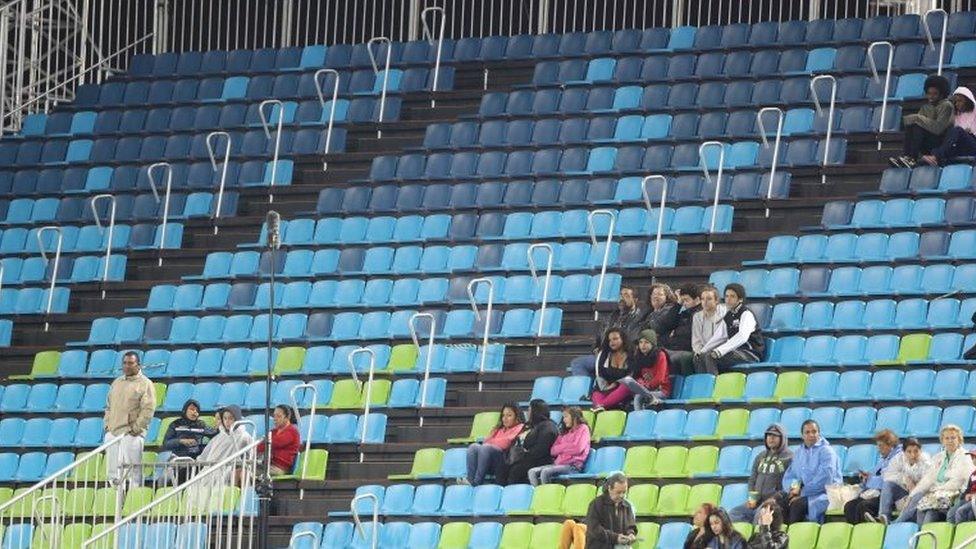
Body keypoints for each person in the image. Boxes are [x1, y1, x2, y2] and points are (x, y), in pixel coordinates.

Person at [894, 424, 974, 526]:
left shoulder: (965, 456)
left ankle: (899, 525)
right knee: (920, 508)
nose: (950, 441)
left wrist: (938, 489)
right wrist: (912, 495)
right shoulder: (938, 457)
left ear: (959, 439)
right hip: (937, 496)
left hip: (953, 495)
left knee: (929, 514)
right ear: (942, 440)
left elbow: (957, 481)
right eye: (947, 438)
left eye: (953, 438)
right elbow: (928, 479)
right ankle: (917, 538)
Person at [104, 351, 156, 489]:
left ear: (138, 365)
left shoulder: (145, 384)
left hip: (131, 433)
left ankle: (133, 501)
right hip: (113, 432)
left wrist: (136, 429)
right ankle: (115, 501)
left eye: (131, 363)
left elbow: (148, 410)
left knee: (134, 471)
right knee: (113, 471)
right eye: (125, 363)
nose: (127, 366)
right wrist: (107, 426)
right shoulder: (117, 382)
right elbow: (108, 406)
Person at [569, 287, 643, 378]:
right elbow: (600, 335)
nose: (622, 299)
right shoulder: (613, 316)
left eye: (626, 295)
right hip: (604, 354)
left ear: (635, 300)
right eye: (621, 295)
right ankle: (584, 391)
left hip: (621, 357)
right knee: (578, 363)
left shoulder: (639, 318)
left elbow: (631, 340)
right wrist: (597, 347)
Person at [728, 424, 793, 524]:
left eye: (775, 436)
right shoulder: (760, 456)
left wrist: (774, 498)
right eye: (768, 435)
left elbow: (789, 485)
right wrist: (751, 498)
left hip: (775, 502)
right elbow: (752, 479)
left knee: (760, 515)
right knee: (733, 514)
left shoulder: (789, 457)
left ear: (782, 438)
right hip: (756, 501)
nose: (771, 438)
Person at [780, 419, 841, 524]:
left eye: (814, 431)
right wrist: (793, 490)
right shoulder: (799, 453)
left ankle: (794, 537)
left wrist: (802, 493)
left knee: (797, 505)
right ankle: (781, 537)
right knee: (780, 503)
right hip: (803, 493)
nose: (811, 435)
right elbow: (791, 475)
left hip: (825, 494)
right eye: (807, 432)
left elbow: (825, 479)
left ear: (819, 433)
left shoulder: (827, 452)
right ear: (802, 435)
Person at [695, 284, 764, 375]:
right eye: (726, 296)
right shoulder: (728, 316)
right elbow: (719, 337)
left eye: (732, 296)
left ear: (740, 299)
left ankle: (712, 386)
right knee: (701, 357)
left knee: (710, 357)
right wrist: (702, 351)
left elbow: (742, 336)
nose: (728, 299)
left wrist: (720, 351)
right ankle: (704, 384)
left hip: (750, 353)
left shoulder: (746, 314)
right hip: (735, 352)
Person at [559, 472, 638, 549]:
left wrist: (631, 534)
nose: (622, 496)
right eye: (618, 492)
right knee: (570, 524)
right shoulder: (596, 504)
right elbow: (595, 529)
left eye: (624, 492)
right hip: (599, 546)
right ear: (610, 488)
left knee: (577, 526)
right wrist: (615, 538)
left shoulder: (627, 506)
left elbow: (631, 525)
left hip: (619, 546)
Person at [890, 74, 953, 167]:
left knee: (917, 125)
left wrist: (917, 118)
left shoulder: (947, 105)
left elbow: (938, 128)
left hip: (940, 142)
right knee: (912, 125)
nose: (931, 97)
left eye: (935, 94)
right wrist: (915, 120)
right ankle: (906, 156)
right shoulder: (926, 107)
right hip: (926, 142)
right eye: (929, 93)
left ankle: (912, 158)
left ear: (942, 94)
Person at [843, 429, 902, 524]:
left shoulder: (898, 458)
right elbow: (873, 476)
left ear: (890, 445)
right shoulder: (884, 459)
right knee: (849, 506)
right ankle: (856, 534)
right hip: (876, 494)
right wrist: (866, 478)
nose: (878, 450)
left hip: (890, 496)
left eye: (881, 446)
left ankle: (871, 532)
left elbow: (887, 481)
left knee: (863, 506)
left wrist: (870, 480)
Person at [866, 438, 930, 523]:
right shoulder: (898, 458)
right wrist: (905, 479)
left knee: (918, 494)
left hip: (920, 494)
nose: (913, 455)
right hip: (905, 491)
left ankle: (895, 523)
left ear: (920, 451)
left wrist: (914, 489)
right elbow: (888, 476)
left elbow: (927, 484)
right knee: (888, 484)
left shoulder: (926, 461)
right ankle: (883, 517)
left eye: (916, 451)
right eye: (909, 451)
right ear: (904, 452)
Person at [497, 399, 558, 485]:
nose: (528, 413)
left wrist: (525, 454)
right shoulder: (531, 426)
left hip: (541, 460)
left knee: (516, 471)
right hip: (528, 458)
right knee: (502, 468)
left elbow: (542, 449)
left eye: (529, 410)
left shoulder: (548, 426)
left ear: (536, 411)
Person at [464, 403, 524, 486]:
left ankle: (477, 483)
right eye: (503, 415)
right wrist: (495, 441)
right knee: (473, 447)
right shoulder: (498, 429)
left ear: (517, 417)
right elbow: (486, 441)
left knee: (486, 448)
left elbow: (506, 443)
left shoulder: (520, 427)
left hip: (504, 463)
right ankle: (470, 480)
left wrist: (493, 441)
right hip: (488, 461)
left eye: (509, 415)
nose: (505, 418)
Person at [528, 407, 591, 486]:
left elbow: (578, 448)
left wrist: (562, 447)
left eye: (566, 417)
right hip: (558, 464)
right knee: (532, 472)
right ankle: (538, 494)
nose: (564, 420)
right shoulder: (565, 433)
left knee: (545, 472)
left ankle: (548, 496)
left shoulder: (583, 428)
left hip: (573, 466)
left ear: (574, 417)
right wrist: (569, 446)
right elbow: (553, 451)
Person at [161, 399, 218, 483]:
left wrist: (219, 426)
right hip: (178, 458)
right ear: (185, 410)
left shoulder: (201, 425)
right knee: (163, 479)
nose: (194, 412)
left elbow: (215, 434)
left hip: (194, 460)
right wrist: (180, 441)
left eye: (196, 410)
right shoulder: (176, 424)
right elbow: (166, 443)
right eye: (191, 409)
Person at [922, 86, 976, 166]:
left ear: (967, 101)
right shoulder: (956, 115)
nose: (957, 104)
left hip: (973, 145)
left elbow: (959, 131)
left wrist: (971, 132)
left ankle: (935, 156)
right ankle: (928, 158)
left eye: (960, 101)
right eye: (956, 102)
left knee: (957, 130)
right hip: (960, 146)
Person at [617, 329, 671, 410]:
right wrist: (640, 383)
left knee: (639, 397)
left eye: (646, 342)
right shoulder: (639, 356)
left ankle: (639, 420)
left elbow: (659, 379)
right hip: (645, 389)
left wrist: (646, 386)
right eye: (641, 342)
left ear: (652, 344)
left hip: (661, 390)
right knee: (625, 394)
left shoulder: (660, 355)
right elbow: (637, 376)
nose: (643, 345)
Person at [589, 329, 634, 411]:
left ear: (623, 339)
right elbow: (599, 374)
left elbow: (631, 375)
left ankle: (600, 407)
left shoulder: (631, 354)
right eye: (610, 340)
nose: (612, 342)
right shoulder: (604, 354)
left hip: (622, 388)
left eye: (615, 339)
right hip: (605, 388)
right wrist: (606, 387)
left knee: (627, 386)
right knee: (596, 393)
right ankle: (601, 407)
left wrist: (616, 383)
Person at [661, 284, 702, 373]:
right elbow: (666, 324)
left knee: (671, 358)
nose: (684, 303)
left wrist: (675, 332)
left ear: (697, 300)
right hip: (673, 347)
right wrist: (678, 304)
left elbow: (690, 331)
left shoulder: (700, 313)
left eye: (686, 300)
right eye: (682, 300)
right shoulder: (685, 313)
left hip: (687, 349)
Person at [691, 285, 728, 376]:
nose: (705, 302)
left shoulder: (725, 313)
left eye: (709, 299)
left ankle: (713, 383)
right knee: (697, 358)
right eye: (702, 299)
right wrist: (698, 351)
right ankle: (703, 385)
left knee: (708, 356)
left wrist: (704, 351)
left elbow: (722, 338)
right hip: (705, 350)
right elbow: (696, 340)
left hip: (721, 349)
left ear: (716, 301)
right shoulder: (697, 316)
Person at [256, 405, 301, 476]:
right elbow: (260, 447)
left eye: (278, 416)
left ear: (287, 417)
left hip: (280, 469)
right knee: (238, 470)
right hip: (267, 465)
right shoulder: (273, 432)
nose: (275, 419)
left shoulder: (292, 431)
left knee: (246, 472)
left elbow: (273, 443)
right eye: (274, 416)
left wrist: (263, 443)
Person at [947, 449, 976, 524]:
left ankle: (961, 534)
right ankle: (953, 534)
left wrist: (973, 495)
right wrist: (965, 495)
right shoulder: (973, 474)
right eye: (972, 457)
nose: (973, 459)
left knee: (961, 512)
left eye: (975, 457)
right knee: (951, 513)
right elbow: (968, 489)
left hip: (974, 500)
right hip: (970, 500)